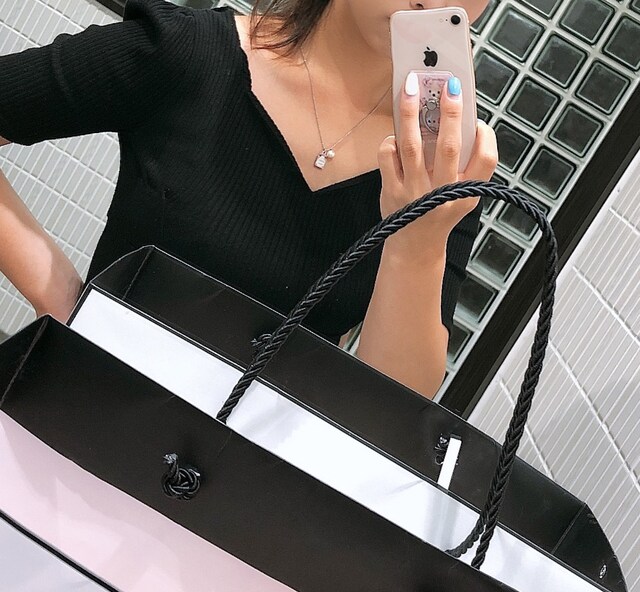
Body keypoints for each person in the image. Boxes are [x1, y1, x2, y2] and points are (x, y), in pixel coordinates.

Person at [0, 0, 497, 401]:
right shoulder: (188, 52)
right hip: (66, 426)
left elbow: (391, 406)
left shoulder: (441, 166)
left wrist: (417, 244)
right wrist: (59, 295)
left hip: (242, 485)